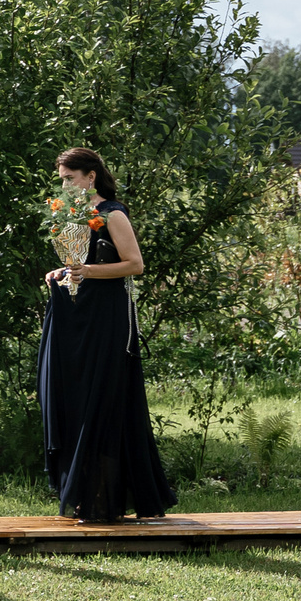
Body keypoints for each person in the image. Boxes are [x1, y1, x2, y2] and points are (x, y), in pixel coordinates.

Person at [36, 146, 177, 523]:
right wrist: (62, 272)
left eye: (70, 178)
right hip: (74, 320)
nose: (64, 185)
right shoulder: (70, 214)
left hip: (106, 323)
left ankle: (101, 502)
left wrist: (86, 271)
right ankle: (82, 492)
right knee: (74, 400)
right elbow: (78, 262)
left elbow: (135, 264)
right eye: (62, 179)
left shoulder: (112, 213)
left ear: (90, 176)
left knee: (101, 403)